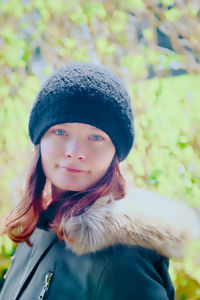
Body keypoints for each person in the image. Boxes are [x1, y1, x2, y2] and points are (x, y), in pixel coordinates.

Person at [0, 62, 199, 300]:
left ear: (115, 152)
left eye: (96, 137)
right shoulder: (39, 226)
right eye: (60, 131)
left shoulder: (121, 260)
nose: (74, 151)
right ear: (40, 139)